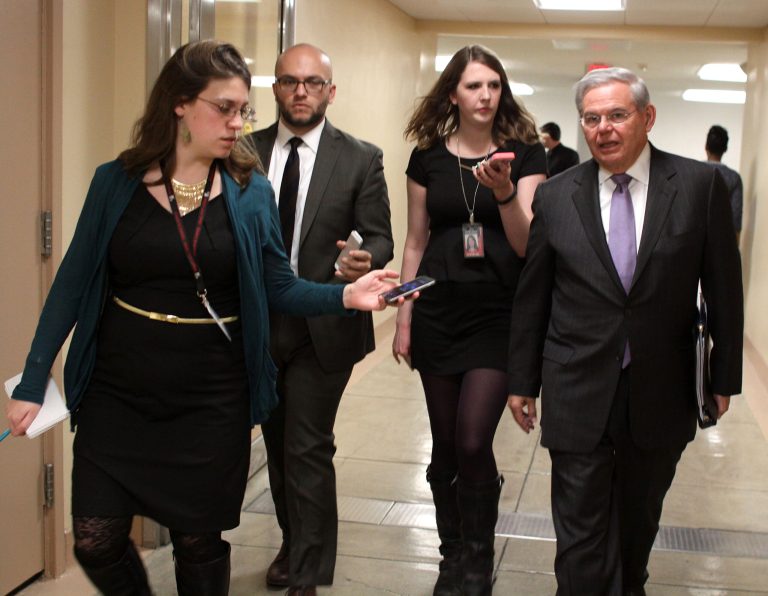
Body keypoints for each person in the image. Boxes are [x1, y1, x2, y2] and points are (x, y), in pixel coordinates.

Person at [4, 40, 400, 596]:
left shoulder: (249, 191)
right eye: (224, 108)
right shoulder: (114, 182)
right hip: (119, 393)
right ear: (180, 104)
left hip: (210, 397)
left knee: (198, 544)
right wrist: (32, 376)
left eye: (244, 110)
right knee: (95, 538)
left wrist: (345, 297)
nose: (238, 123)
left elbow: (277, 286)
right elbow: (71, 283)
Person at [507, 67, 743, 595]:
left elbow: (725, 290)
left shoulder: (699, 188)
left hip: (661, 389)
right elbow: (534, 296)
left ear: (647, 117)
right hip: (575, 384)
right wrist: (521, 380)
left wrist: (723, 377)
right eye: (591, 118)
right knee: (579, 540)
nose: (603, 129)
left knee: (636, 532)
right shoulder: (555, 195)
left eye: (617, 115)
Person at [393, 45, 546, 595]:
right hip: (438, 312)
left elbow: (529, 243)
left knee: (474, 439)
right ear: (453, 94)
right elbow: (415, 242)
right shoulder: (427, 158)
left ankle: (479, 561)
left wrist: (504, 192)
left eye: (494, 85)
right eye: (474, 86)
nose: (485, 96)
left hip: (499, 316)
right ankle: (452, 554)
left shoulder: (525, 156)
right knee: (445, 444)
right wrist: (404, 315)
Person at [245, 43, 394, 595]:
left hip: (324, 325)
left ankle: (307, 575)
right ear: (276, 89)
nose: (300, 91)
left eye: (312, 82)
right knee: (279, 442)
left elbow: (379, 235)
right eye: (289, 81)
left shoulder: (359, 157)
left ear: (330, 92)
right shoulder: (243, 153)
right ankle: (292, 540)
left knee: (307, 443)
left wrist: (366, 259)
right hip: (261, 326)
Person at [705, 124, 743, 243]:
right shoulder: (734, 178)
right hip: (721, 244)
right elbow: (736, 222)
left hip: (693, 244)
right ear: (725, 149)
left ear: (706, 146)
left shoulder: (693, 172)